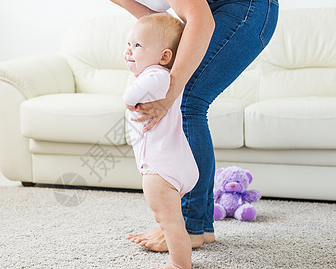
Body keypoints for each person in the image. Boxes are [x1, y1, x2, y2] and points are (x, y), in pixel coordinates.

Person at [111, 0, 278, 249]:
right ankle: (199, 225)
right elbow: (157, 25)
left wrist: (171, 90)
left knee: (187, 99)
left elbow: (200, 19)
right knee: (183, 95)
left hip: (245, 8)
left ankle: (190, 227)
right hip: (212, 11)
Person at [124, 13, 199, 269]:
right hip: (174, 162)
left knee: (170, 221)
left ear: (165, 56)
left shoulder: (156, 75)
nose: (129, 51)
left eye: (138, 46)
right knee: (167, 219)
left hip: (160, 168)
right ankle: (182, 257)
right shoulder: (162, 76)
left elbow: (130, 97)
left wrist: (131, 91)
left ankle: (181, 266)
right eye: (129, 44)